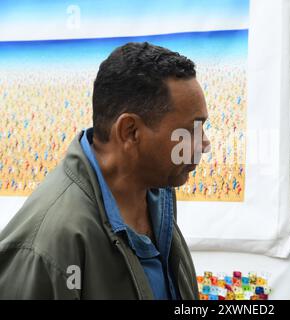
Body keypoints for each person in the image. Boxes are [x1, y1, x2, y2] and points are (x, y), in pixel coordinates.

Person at [0, 42, 210, 299]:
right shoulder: (46, 247)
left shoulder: (158, 194)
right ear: (130, 131)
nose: (204, 144)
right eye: (191, 130)